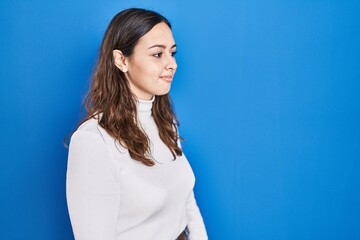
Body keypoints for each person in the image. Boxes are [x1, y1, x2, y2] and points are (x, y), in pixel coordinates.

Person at [66, 8, 208, 240]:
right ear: (121, 60)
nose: (171, 64)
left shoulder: (165, 122)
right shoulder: (92, 141)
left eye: (172, 53)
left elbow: (185, 199)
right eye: (157, 54)